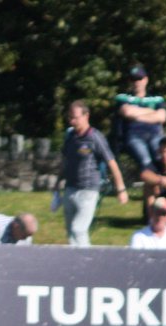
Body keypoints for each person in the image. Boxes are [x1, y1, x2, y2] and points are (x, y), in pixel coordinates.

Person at [57, 100, 129, 246]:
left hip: (88, 190)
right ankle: (75, 259)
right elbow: (65, 162)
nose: (72, 121)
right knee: (70, 232)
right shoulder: (70, 137)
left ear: (86, 116)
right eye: (70, 118)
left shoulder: (95, 137)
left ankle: (87, 257)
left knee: (79, 229)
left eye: (75, 118)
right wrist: (57, 186)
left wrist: (121, 189)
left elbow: (111, 162)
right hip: (70, 188)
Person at [114, 64, 166, 171]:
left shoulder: (157, 99)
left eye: (139, 79)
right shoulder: (123, 98)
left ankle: (163, 179)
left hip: (155, 134)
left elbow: (162, 117)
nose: (136, 82)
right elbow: (127, 112)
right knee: (145, 161)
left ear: (146, 80)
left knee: (161, 158)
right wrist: (152, 112)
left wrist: (136, 116)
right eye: (133, 79)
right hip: (134, 136)